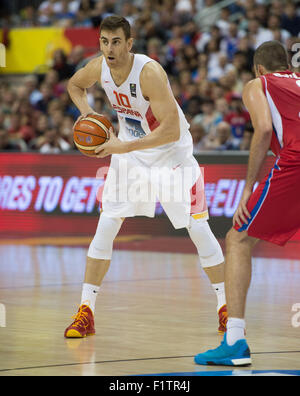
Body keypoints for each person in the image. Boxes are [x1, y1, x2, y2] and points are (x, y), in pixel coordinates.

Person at [64, 15, 228, 338]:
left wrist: (121, 148)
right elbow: (74, 85)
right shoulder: (99, 68)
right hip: (131, 154)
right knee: (107, 224)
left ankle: (226, 308)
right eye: (104, 42)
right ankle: (86, 311)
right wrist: (89, 114)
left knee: (198, 227)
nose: (109, 49)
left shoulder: (149, 73)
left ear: (129, 43)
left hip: (173, 157)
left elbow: (171, 129)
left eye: (115, 42)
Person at [194, 40, 300, 366]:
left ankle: (235, 341)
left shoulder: (259, 84)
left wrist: (248, 187)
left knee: (237, 238)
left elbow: (264, 128)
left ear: (259, 69)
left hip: (296, 161)